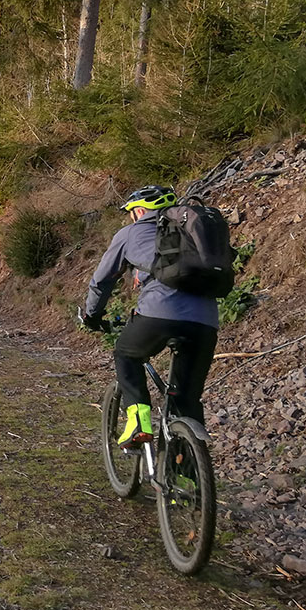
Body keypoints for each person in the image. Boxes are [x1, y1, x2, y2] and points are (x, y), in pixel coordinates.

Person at [80, 185, 219, 448]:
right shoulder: (192, 231)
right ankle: (187, 479)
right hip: (206, 321)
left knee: (126, 353)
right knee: (186, 400)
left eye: (131, 212)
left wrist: (92, 315)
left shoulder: (131, 232)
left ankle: (139, 422)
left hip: (158, 312)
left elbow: (102, 280)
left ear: (140, 211)